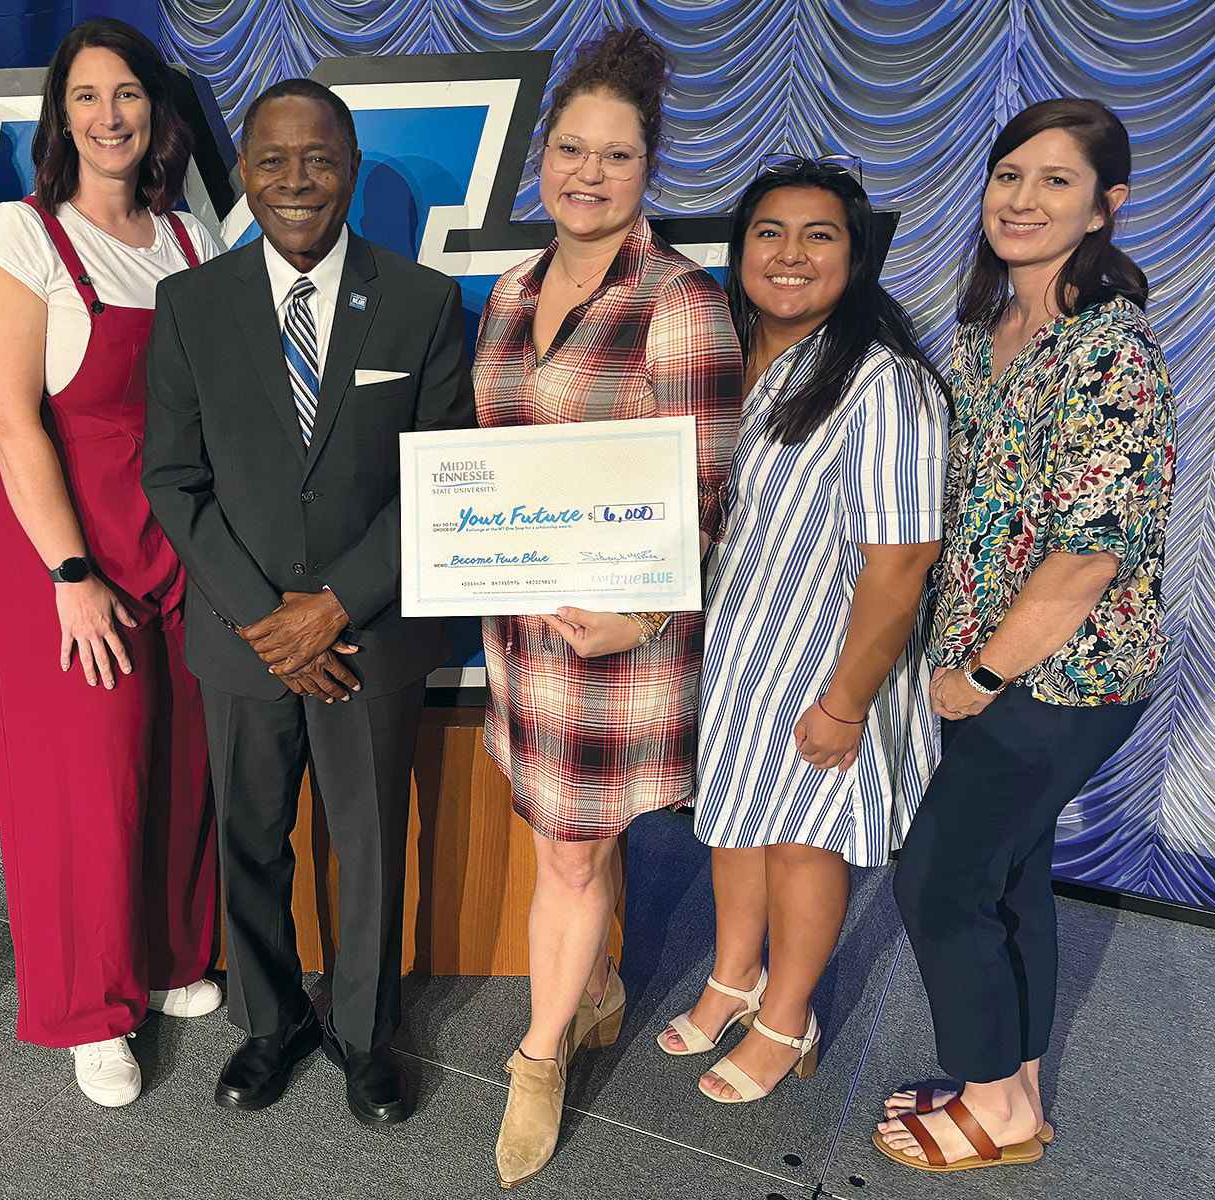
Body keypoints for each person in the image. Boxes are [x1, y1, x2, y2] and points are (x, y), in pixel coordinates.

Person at [142, 77, 472, 1128]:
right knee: (249, 837)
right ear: (245, 171)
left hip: (366, 633)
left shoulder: (420, 302)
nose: (296, 179)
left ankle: (367, 1034)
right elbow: (172, 481)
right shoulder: (191, 305)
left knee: (370, 839)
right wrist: (265, 618)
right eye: (274, 159)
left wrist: (332, 606)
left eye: (318, 159)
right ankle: (269, 1021)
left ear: (353, 171)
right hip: (244, 638)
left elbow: (441, 477)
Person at [874, 99, 1174, 1172]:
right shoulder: (983, 333)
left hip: (1061, 677)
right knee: (1006, 878)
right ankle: (1015, 1088)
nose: (1025, 198)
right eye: (1010, 175)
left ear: (1107, 207)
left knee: (938, 881)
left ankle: (994, 1108)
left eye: (1056, 181)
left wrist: (986, 671)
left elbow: (1093, 550)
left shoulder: (1108, 352)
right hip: (988, 669)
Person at [472, 28, 744, 1187]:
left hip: (616, 641)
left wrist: (642, 619)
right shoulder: (509, 290)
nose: (588, 172)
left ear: (649, 170)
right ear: (543, 157)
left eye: (616, 156)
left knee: (572, 861)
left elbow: (707, 489)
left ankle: (537, 1062)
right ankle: (599, 991)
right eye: (571, 148)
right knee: (567, 838)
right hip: (521, 628)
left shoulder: (679, 301)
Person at [0, 18, 225, 1109]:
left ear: (158, 115)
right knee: (82, 780)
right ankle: (85, 1009)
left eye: (130, 95)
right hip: (58, 547)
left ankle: (162, 960)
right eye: (87, 97)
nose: (111, 115)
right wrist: (72, 575)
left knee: (176, 758)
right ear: (59, 119)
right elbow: (6, 420)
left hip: (177, 539)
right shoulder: (18, 237)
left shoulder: (192, 240)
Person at [663, 158, 948, 1105]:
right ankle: (731, 977)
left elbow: (900, 564)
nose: (789, 255)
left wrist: (846, 701)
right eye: (768, 234)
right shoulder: (736, 360)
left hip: (826, 660)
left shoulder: (884, 385)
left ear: (856, 257)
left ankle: (788, 1016)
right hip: (740, 650)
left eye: (818, 236)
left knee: (801, 840)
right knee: (736, 822)